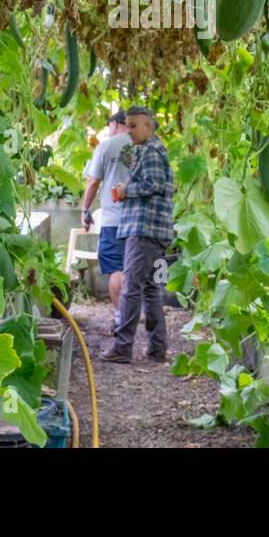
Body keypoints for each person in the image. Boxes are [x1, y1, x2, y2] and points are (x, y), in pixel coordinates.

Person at [101, 105, 175, 364]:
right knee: (152, 289)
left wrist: (125, 191)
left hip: (144, 231)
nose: (129, 131)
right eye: (128, 125)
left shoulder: (150, 152)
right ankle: (158, 349)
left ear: (149, 127)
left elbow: (153, 185)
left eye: (134, 126)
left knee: (131, 286)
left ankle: (123, 347)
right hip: (158, 232)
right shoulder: (154, 151)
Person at [81, 110, 131, 327]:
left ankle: (122, 316)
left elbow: (93, 182)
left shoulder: (106, 146)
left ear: (113, 124)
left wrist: (85, 210)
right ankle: (144, 313)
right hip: (142, 221)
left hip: (114, 220)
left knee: (116, 268)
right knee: (139, 267)